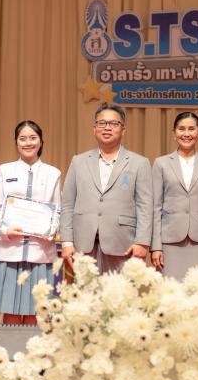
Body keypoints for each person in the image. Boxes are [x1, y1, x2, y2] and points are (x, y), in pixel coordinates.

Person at [60, 103, 152, 273]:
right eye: (102, 123)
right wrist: (66, 242)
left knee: (119, 290)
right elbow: (67, 204)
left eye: (114, 123)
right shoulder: (78, 162)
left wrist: (142, 242)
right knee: (86, 290)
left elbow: (145, 206)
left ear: (123, 129)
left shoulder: (140, 163)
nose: (107, 128)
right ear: (94, 128)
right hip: (83, 245)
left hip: (123, 245)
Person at [0, 120, 60, 324]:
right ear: (16, 142)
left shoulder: (53, 174)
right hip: (9, 251)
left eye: (33, 138)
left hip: (40, 253)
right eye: (23, 138)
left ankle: (33, 346)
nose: (28, 143)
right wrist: (4, 231)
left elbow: (58, 211)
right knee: (9, 310)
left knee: (36, 311)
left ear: (41, 141)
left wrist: (50, 231)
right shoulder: (4, 171)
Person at [151, 112, 198, 278]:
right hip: (169, 240)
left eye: (191, 129)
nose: (186, 133)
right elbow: (155, 207)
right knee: (171, 289)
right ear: (174, 133)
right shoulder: (161, 163)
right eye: (181, 129)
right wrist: (155, 246)